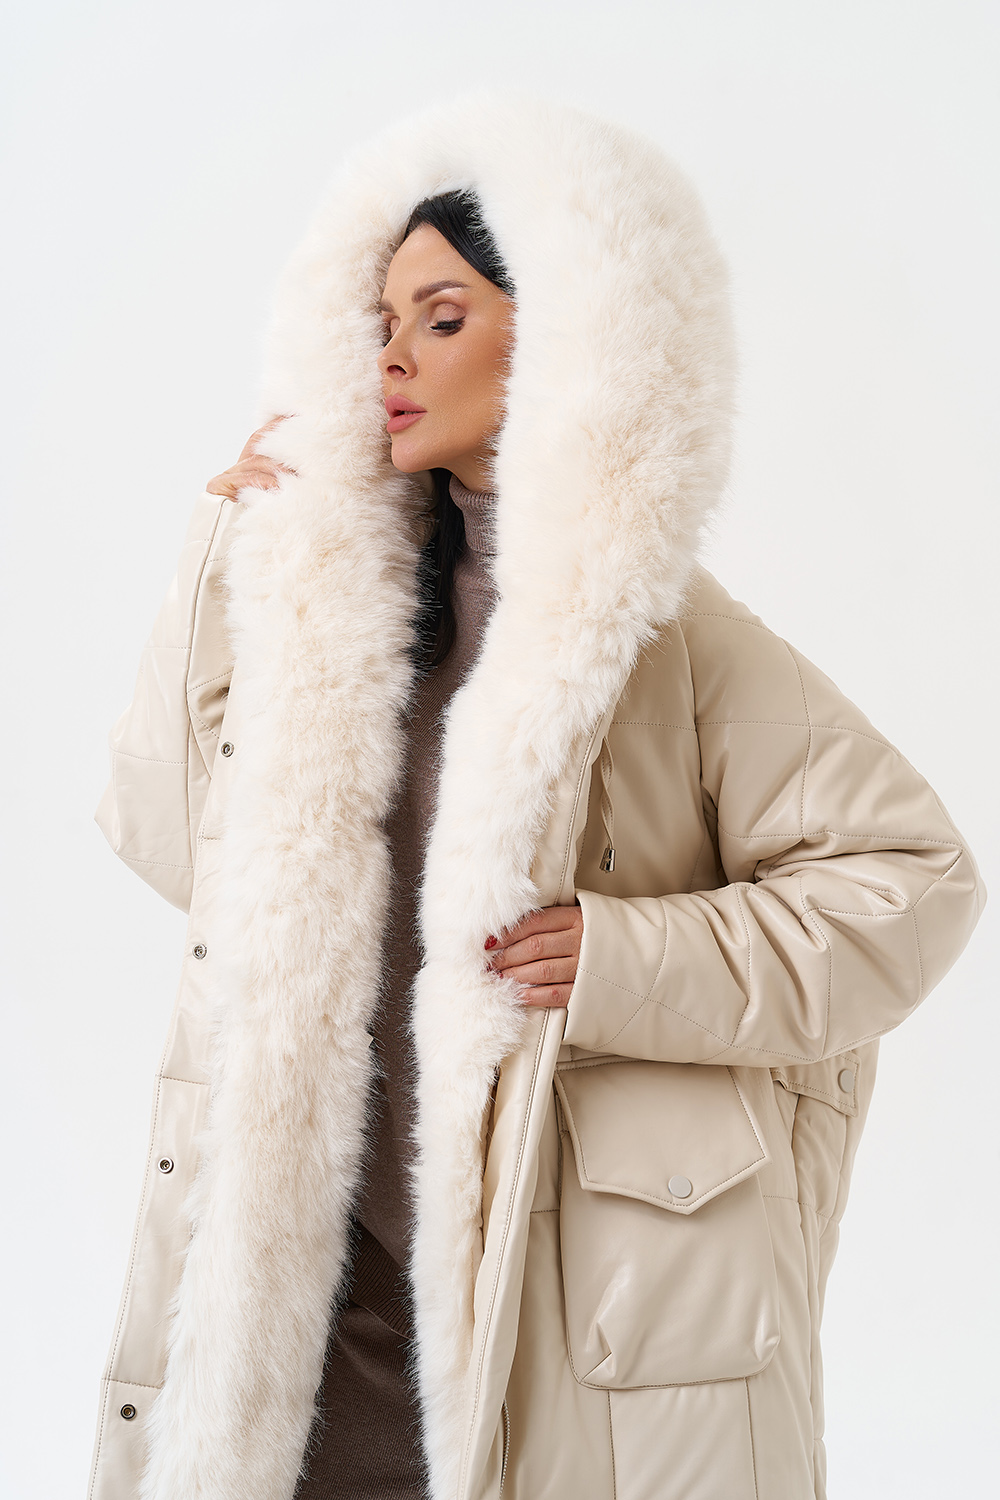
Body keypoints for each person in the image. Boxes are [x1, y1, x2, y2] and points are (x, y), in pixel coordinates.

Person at [88, 95, 985, 1500]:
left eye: (441, 317)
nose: (391, 356)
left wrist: (630, 959)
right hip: (323, 1295)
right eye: (381, 322)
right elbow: (173, 842)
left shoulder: (667, 640)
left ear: (567, 334)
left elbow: (913, 884)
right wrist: (229, 561)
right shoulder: (345, 624)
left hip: (549, 1290)